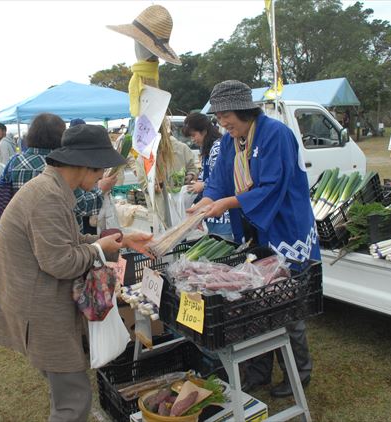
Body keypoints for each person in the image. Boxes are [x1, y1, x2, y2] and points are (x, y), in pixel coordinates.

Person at [0, 124, 152, 422]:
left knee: (66, 392)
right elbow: (60, 262)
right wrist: (100, 249)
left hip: (40, 303)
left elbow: (72, 241)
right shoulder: (46, 197)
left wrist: (122, 240)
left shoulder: (52, 189)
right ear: (83, 165)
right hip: (40, 309)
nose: (103, 177)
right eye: (99, 170)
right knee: (73, 400)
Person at [189, 80, 319, 398]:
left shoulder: (277, 135)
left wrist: (226, 203)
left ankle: (299, 375)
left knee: (287, 306)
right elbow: (219, 182)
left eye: (225, 115)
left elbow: (272, 186)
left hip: (287, 231)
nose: (222, 123)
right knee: (255, 306)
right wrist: (203, 205)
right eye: (218, 118)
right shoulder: (235, 140)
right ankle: (259, 372)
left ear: (243, 109)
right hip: (256, 232)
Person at [2, 114, 116, 231]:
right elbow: (81, 206)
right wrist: (101, 189)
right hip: (60, 231)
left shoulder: (14, 161)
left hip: (23, 229)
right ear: (61, 136)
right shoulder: (60, 166)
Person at [183, 112, 233, 240]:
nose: (192, 139)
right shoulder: (206, 148)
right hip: (211, 210)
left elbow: (221, 180)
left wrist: (203, 184)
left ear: (204, 131)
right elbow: (207, 176)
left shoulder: (217, 147)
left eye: (194, 135)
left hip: (222, 215)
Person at [135, 130, 198, 228]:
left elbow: (192, 168)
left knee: (179, 237)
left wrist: (189, 175)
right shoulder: (144, 156)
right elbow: (143, 182)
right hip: (158, 208)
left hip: (179, 206)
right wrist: (152, 187)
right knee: (161, 237)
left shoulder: (181, 148)